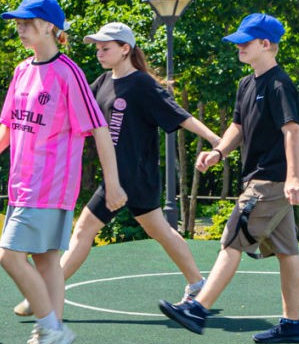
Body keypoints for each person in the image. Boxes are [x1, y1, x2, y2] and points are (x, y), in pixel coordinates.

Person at [0, 0, 124, 344]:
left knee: (9, 256)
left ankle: (50, 331)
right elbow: (9, 122)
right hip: (21, 184)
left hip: (49, 185)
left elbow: (99, 129)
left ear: (49, 27)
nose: (20, 29)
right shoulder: (22, 71)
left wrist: (113, 183)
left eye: (27, 22)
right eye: (18, 23)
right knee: (46, 261)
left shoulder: (68, 73)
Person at [159, 14, 299, 343]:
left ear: (265, 44)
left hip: (269, 181)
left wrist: (294, 178)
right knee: (287, 251)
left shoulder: (280, 84)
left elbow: (292, 131)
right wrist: (218, 152)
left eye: (245, 42)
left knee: (232, 239)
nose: (239, 47)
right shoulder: (246, 84)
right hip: (263, 181)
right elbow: (237, 126)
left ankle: (198, 309)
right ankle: (292, 324)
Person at [54, 22, 225, 302]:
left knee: (85, 229)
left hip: (132, 176)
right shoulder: (103, 82)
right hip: (121, 175)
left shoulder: (142, 84)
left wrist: (215, 140)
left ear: (125, 49)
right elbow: (75, 108)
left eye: (105, 48)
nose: (99, 53)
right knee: (160, 231)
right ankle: (197, 284)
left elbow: (180, 115)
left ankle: (45, 293)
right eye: (97, 48)